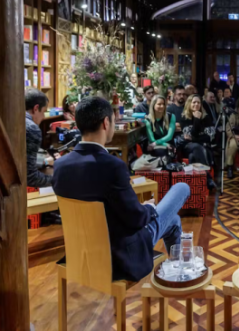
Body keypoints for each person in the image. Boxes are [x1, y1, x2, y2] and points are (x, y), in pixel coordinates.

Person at [53, 96, 191, 282]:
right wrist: (148, 208)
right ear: (106, 122)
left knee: (172, 220)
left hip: (81, 252)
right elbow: (136, 220)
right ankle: (179, 272)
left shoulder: (60, 165)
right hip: (119, 256)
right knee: (181, 187)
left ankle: (177, 269)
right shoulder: (113, 166)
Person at [179, 95, 216, 190]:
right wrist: (196, 119)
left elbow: (210, 137)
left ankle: (195, 185)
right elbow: (189, 136)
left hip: (202, 146)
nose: (196, 104)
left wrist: (194, 138)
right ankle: (208, 178)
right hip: (188, 147)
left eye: (198, 102)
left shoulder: (206, 117)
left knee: (193, 156)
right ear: (189, 104)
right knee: (196, 147)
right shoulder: (184, 117)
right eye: (194, 102)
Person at [25, 89, 53, 188]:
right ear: (36, 108)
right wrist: (60, 178)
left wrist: (43, 161)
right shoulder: (32, 128)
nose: (44, 117)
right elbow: (30, 177)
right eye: (44, 111)